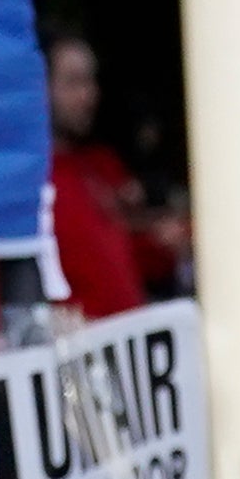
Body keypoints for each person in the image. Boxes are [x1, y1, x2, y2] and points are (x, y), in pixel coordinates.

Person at [43, 32, 156, 315]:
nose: (88, 95)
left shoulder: (97, 168)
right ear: (40, 87)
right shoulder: (29, 183)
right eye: (73, 82)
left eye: (90, 81)